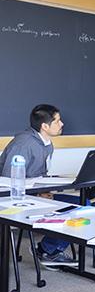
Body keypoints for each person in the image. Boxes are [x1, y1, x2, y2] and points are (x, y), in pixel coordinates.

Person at [0, 104, 76, 265]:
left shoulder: (47, 144)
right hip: (17, 199)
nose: (62, 124)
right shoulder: (24, 144)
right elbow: (8, 181)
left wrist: (47, 189)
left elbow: (40, 175)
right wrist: (37, 194)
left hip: (38, 194)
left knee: (81, 205)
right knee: (67, 209)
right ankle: (47, 251)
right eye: (57, 121)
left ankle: (47, 249)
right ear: (44, 126)